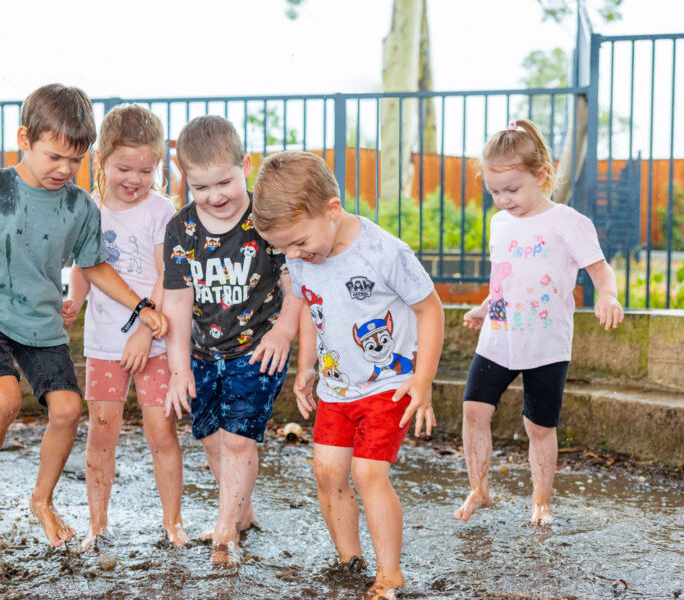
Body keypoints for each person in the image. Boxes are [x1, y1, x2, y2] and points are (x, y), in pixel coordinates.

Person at [0, 84, 169, 548]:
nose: (65, 170)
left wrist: (140, 304)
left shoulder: (77, 205)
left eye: (75, 160)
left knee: (70, 408)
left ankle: (42, 500)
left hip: (41, 320)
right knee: (5, 399)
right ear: (24, 139)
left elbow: (93, 265)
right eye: (54, 157)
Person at [252, 150, 444, 599]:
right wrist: (305, 367)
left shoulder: (385, 253)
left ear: (332, 209)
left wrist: (423, 378)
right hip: (336, 387)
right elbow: (305, 304)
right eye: (284, 250)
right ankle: (348, 562)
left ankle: (389, 575)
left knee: (368, 473)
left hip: (388, 382)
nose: (295, 255)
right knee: (326, 471)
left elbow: (429, 309)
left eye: (299, 243)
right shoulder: (301, 259)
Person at [453, 119, 624, 527]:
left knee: (538, 424)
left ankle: (541, 501)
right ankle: (479, 488)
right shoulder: (500, 223)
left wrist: (608, 295)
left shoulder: (568, 222)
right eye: (494, 192)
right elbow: (506, 279)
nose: (503, 200)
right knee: (474, 410)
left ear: (541, 175)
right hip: (499, 337)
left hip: (545, 343)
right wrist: (485, 307)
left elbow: (601, 270)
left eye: (512, 189)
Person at [162, 116, 302, 566]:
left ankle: (225, 532)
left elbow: (296, 281)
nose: (215, 196)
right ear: (186, 180)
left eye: (225, 181)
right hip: (203, 352)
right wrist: (179, 369)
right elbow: (178, 305)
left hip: (258, 349)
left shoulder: (265, 218)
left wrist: (284, 330)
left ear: (246, 164)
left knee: (238, 440)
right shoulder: (181, 230)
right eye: (201, 187)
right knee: (211, 440)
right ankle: (240, 513)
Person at [60, 104, 188, 551]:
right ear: (102, 162)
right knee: (101, 428)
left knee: (161, 432)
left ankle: (172, 522)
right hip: (102, 342)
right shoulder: (89, 209)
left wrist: (144, 330)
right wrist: (74, 298)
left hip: (152, 341)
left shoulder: (161, 210)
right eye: (123, 168)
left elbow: (165, 274)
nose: (133, 180)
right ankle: (97, 523)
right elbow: (86, 264)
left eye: (145, 170)